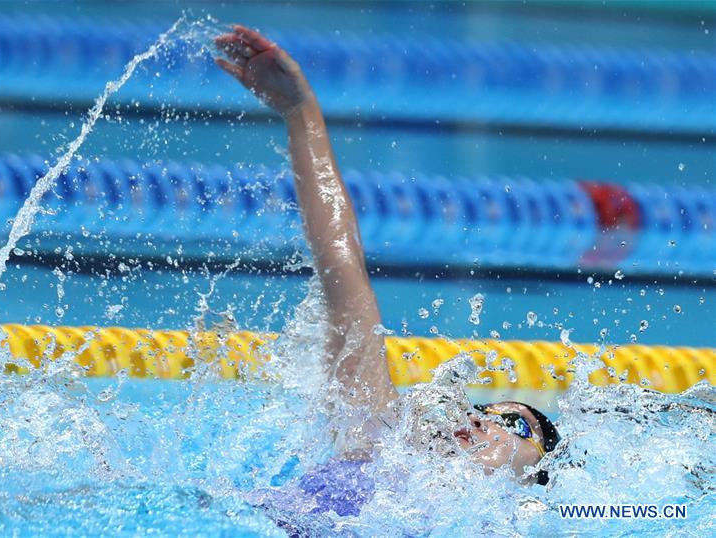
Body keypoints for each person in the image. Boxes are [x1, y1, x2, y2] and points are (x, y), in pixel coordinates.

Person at [214, 25, 561, 521]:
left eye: (517, 426)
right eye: (485, 410)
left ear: (538, 474)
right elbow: (341, 262)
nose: (484, 421)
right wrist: (300, 113)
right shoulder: (375, 439)